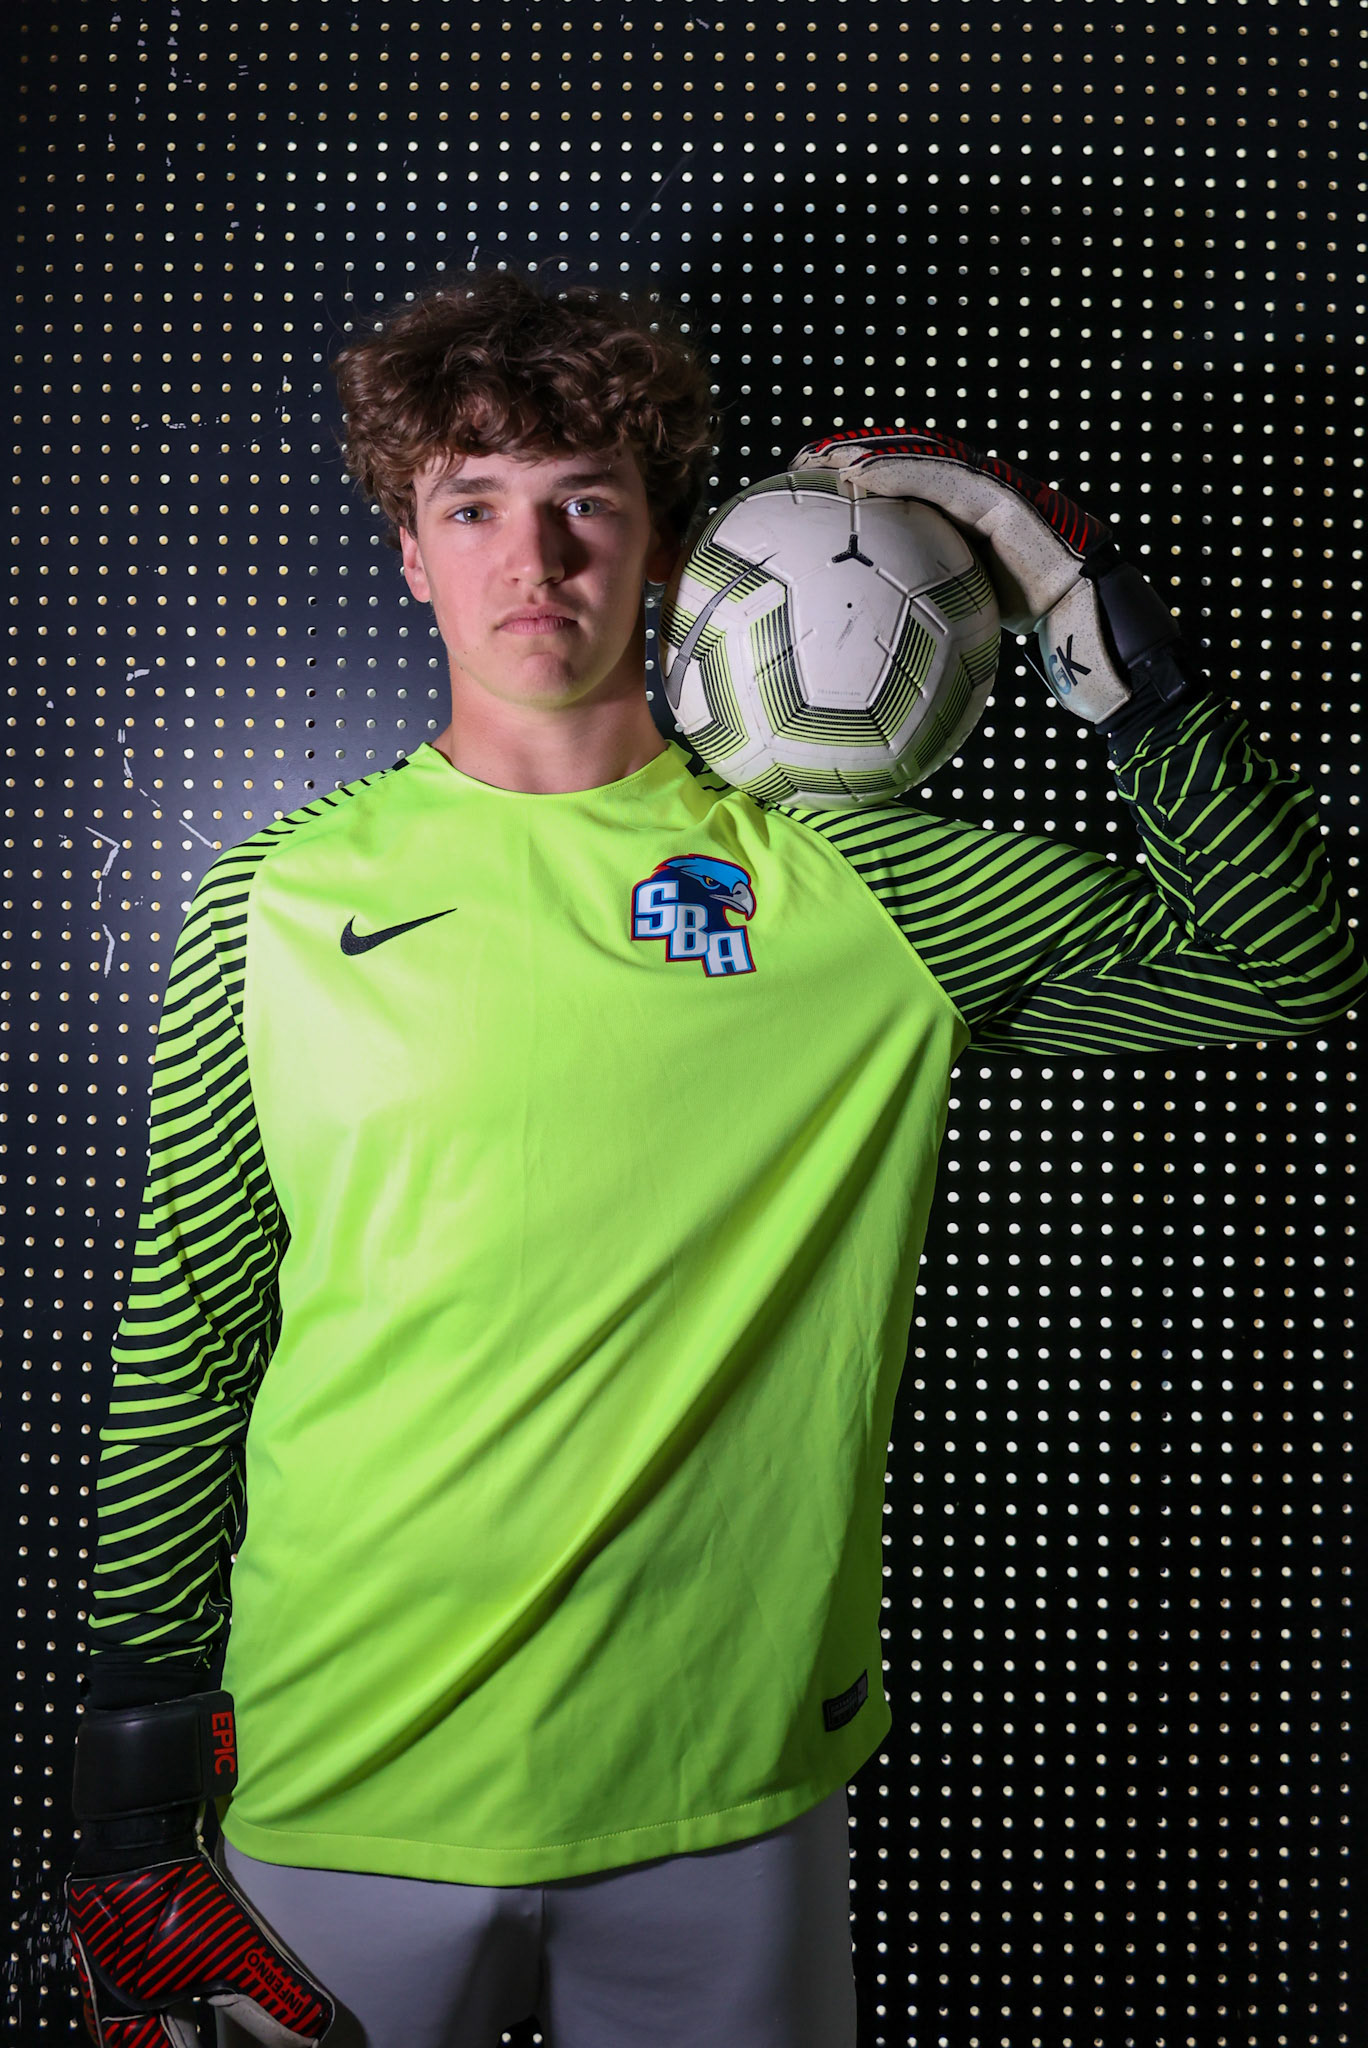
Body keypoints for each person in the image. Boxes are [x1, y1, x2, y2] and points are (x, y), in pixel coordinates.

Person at [66, 268, 1364, 2048]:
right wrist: (131, 1788)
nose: (537, 563)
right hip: (341, 1771)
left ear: (670, 550)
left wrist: (1093, 631)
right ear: (412, 555)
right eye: (475, 507)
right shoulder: (271, 900)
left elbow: (1285, 966)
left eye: (586, 503)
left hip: (726, 1789)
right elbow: (189, 1325)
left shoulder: (866, 891)